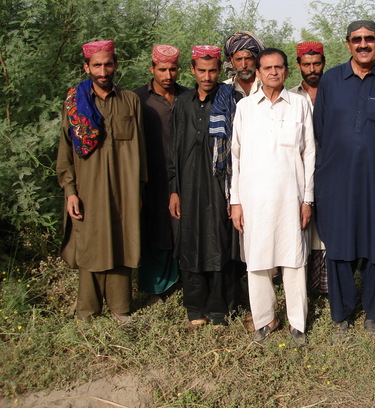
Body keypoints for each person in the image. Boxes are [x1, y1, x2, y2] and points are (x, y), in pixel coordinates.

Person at [313, 20, 375, 334]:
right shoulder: (331, 81)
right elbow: (321, 128)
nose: (363, 44)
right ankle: (341, 313)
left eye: (370, 39)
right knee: (339, 243)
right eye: (357, 39)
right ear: (347, 44)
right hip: (337, 180)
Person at [56, 40, 146, 322]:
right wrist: (70, 191)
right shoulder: (74, 104)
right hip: (88, 188)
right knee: (91, 243)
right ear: (87, 67)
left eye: (108, 64)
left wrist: (140, 188)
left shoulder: (130, 100)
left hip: (125, 188)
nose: (103, 70)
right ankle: (88, 310)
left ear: (116, 66)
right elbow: (65, 150)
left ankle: (120, 308)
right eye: (97, 65)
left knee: (122, 240)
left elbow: (141, 148)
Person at [230, 48, 315, 347]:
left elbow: (309, 153)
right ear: (258, 72)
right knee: (257, 262)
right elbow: (235, 157)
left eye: (279, 67)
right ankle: (264, 320)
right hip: (253, 201)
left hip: (290, 198)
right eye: (267, 68)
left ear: (287, 71)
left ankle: (298, 324)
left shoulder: (300, 105)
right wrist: (235, 201)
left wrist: (308, 199)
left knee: (293, 262)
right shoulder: (246, 108)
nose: (273, 72)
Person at [167, 45, 241, 331]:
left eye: (212, 71)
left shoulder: (231, 100)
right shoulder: (183, 102)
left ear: (220, 70)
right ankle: (195, 308)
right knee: (190, 242)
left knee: (220, 243)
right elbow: (173, 149)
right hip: (188, 184)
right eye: (202, 71)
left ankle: (220, 310)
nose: (207, 77)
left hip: (220, 186)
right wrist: (174, 189)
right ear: (192, 70)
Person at [134, 45, 187, 302]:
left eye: (172, 69)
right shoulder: (138, 100)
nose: (168, 75)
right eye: (162, 69)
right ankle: (154, 288)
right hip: (151, 177)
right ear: (152, 69)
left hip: (184, 176)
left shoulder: (187, 97)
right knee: (154, 229)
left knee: (181, 228)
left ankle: (182, 281)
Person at [289, 41, 327, 295]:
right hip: (299, 172)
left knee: (326, 229)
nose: (312, 69)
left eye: (316, 64)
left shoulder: (335, 90)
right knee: (300, 226)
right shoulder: (291, 97)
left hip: (330, 169)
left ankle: (325, 285)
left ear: (323, 63)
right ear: (298, 66)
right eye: (307, 65)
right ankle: (301, 286)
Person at [223, 30, 265, 98]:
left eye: (248, 59)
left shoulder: (267, 86)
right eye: (238, 60)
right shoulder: (224, 89)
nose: (244, 65)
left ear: (256, 59)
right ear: (231, 61)